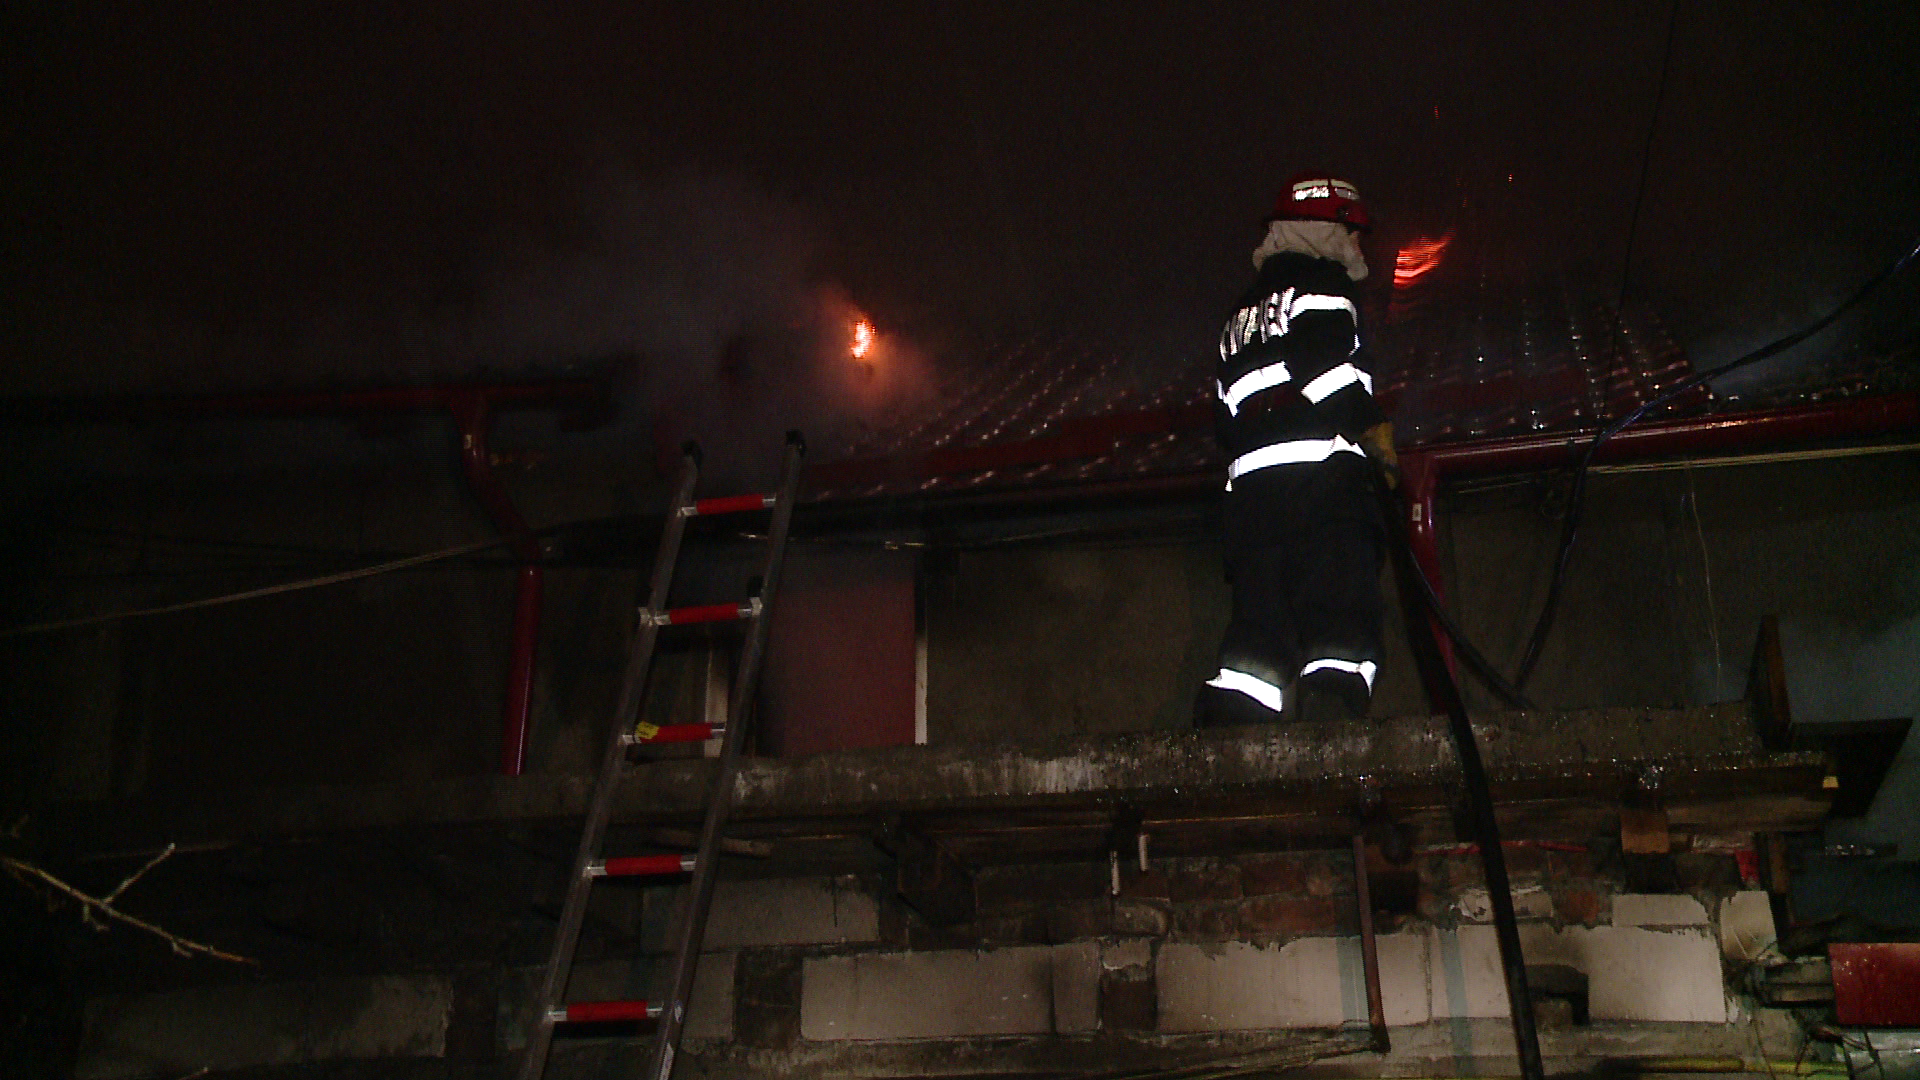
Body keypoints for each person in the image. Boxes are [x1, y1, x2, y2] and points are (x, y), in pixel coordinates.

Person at [1197, 172, 1398, 727]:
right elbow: (1326, 369)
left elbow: (1223, 414)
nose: (1358, 246)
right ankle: (1332, 730)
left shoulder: (1242, 315)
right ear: (1325, 229)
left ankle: (1229, 732)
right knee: (1339, 611)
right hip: (1323, 487)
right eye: (1351, 231)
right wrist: (1372, 429)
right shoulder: (1322, 285)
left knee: (1260, 628)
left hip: (1252, 503)